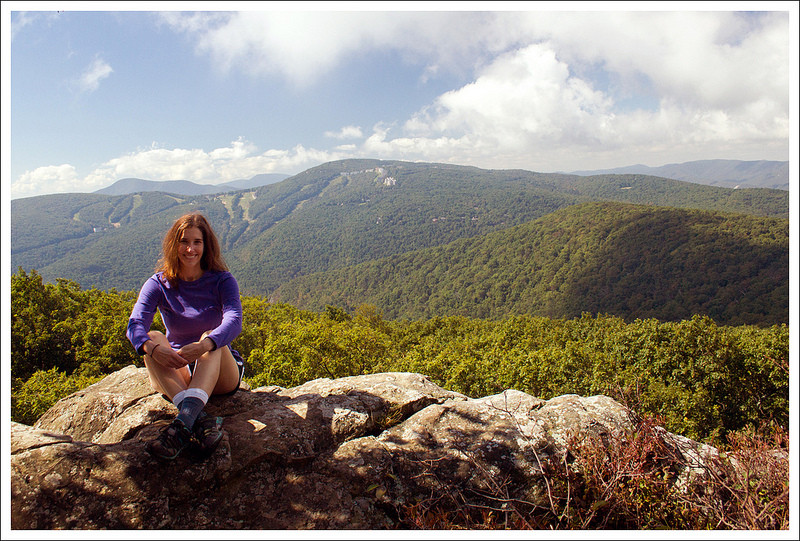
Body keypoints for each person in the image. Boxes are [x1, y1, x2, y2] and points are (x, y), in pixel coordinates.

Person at [127, 212, 244, 460]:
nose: (190, 249)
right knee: (153, 337)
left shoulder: (222, 280)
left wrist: (204, 345)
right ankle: (197, 421)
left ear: (206, 245)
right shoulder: (158, 283)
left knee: (211, 336)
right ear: (174, 244)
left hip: (220, 369)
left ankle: (181, 426)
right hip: (178, 367)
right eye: (184, 241)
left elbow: (234, 321)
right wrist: (155, 350)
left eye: (197, 242)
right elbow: (136, 324)